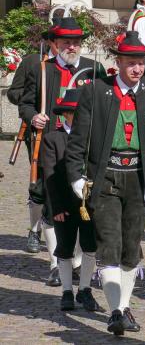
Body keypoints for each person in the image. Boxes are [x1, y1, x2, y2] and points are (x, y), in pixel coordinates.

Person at [66, 30, 145, 336]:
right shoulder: (96, 91)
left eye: (141, 62)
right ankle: (115, 311)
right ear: (118, 61)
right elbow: (77, 142)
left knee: (131, 248)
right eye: (132, 62)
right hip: (105, 178)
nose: (137, 68)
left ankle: (122, 308)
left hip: (141, 179)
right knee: (108, 243)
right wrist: (75, 176)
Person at [20, 17, 106, 286]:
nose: (71, 46)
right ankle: (56, 263)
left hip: (86, 146)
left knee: (82, 202)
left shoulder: (95, 69)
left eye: (76, 42)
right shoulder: (42, 69)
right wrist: (34, 117)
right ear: (55, 44)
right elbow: (24, 103)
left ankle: (78, 261)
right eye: (66, 42)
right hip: (51, 143)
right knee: (51, 199)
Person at [42, 88, 99, 312]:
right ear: (65, 115)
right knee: (65, 248)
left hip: (89, 204)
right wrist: (55, 207)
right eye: (75, 114)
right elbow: (50, 176)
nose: (79, 118)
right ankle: (67, 290)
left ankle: (84, 289)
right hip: (64, 204)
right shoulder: (53, 139)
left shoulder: (94, 138)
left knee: (90, 246)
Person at [10, 22, 58, 252]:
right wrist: (33, 109)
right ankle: (35, 229)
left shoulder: (78, 68)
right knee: (39, 182)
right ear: (50, 41)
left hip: (66, 133)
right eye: (60, 41)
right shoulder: (32, 62)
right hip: (39, 132)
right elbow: (14, 93)